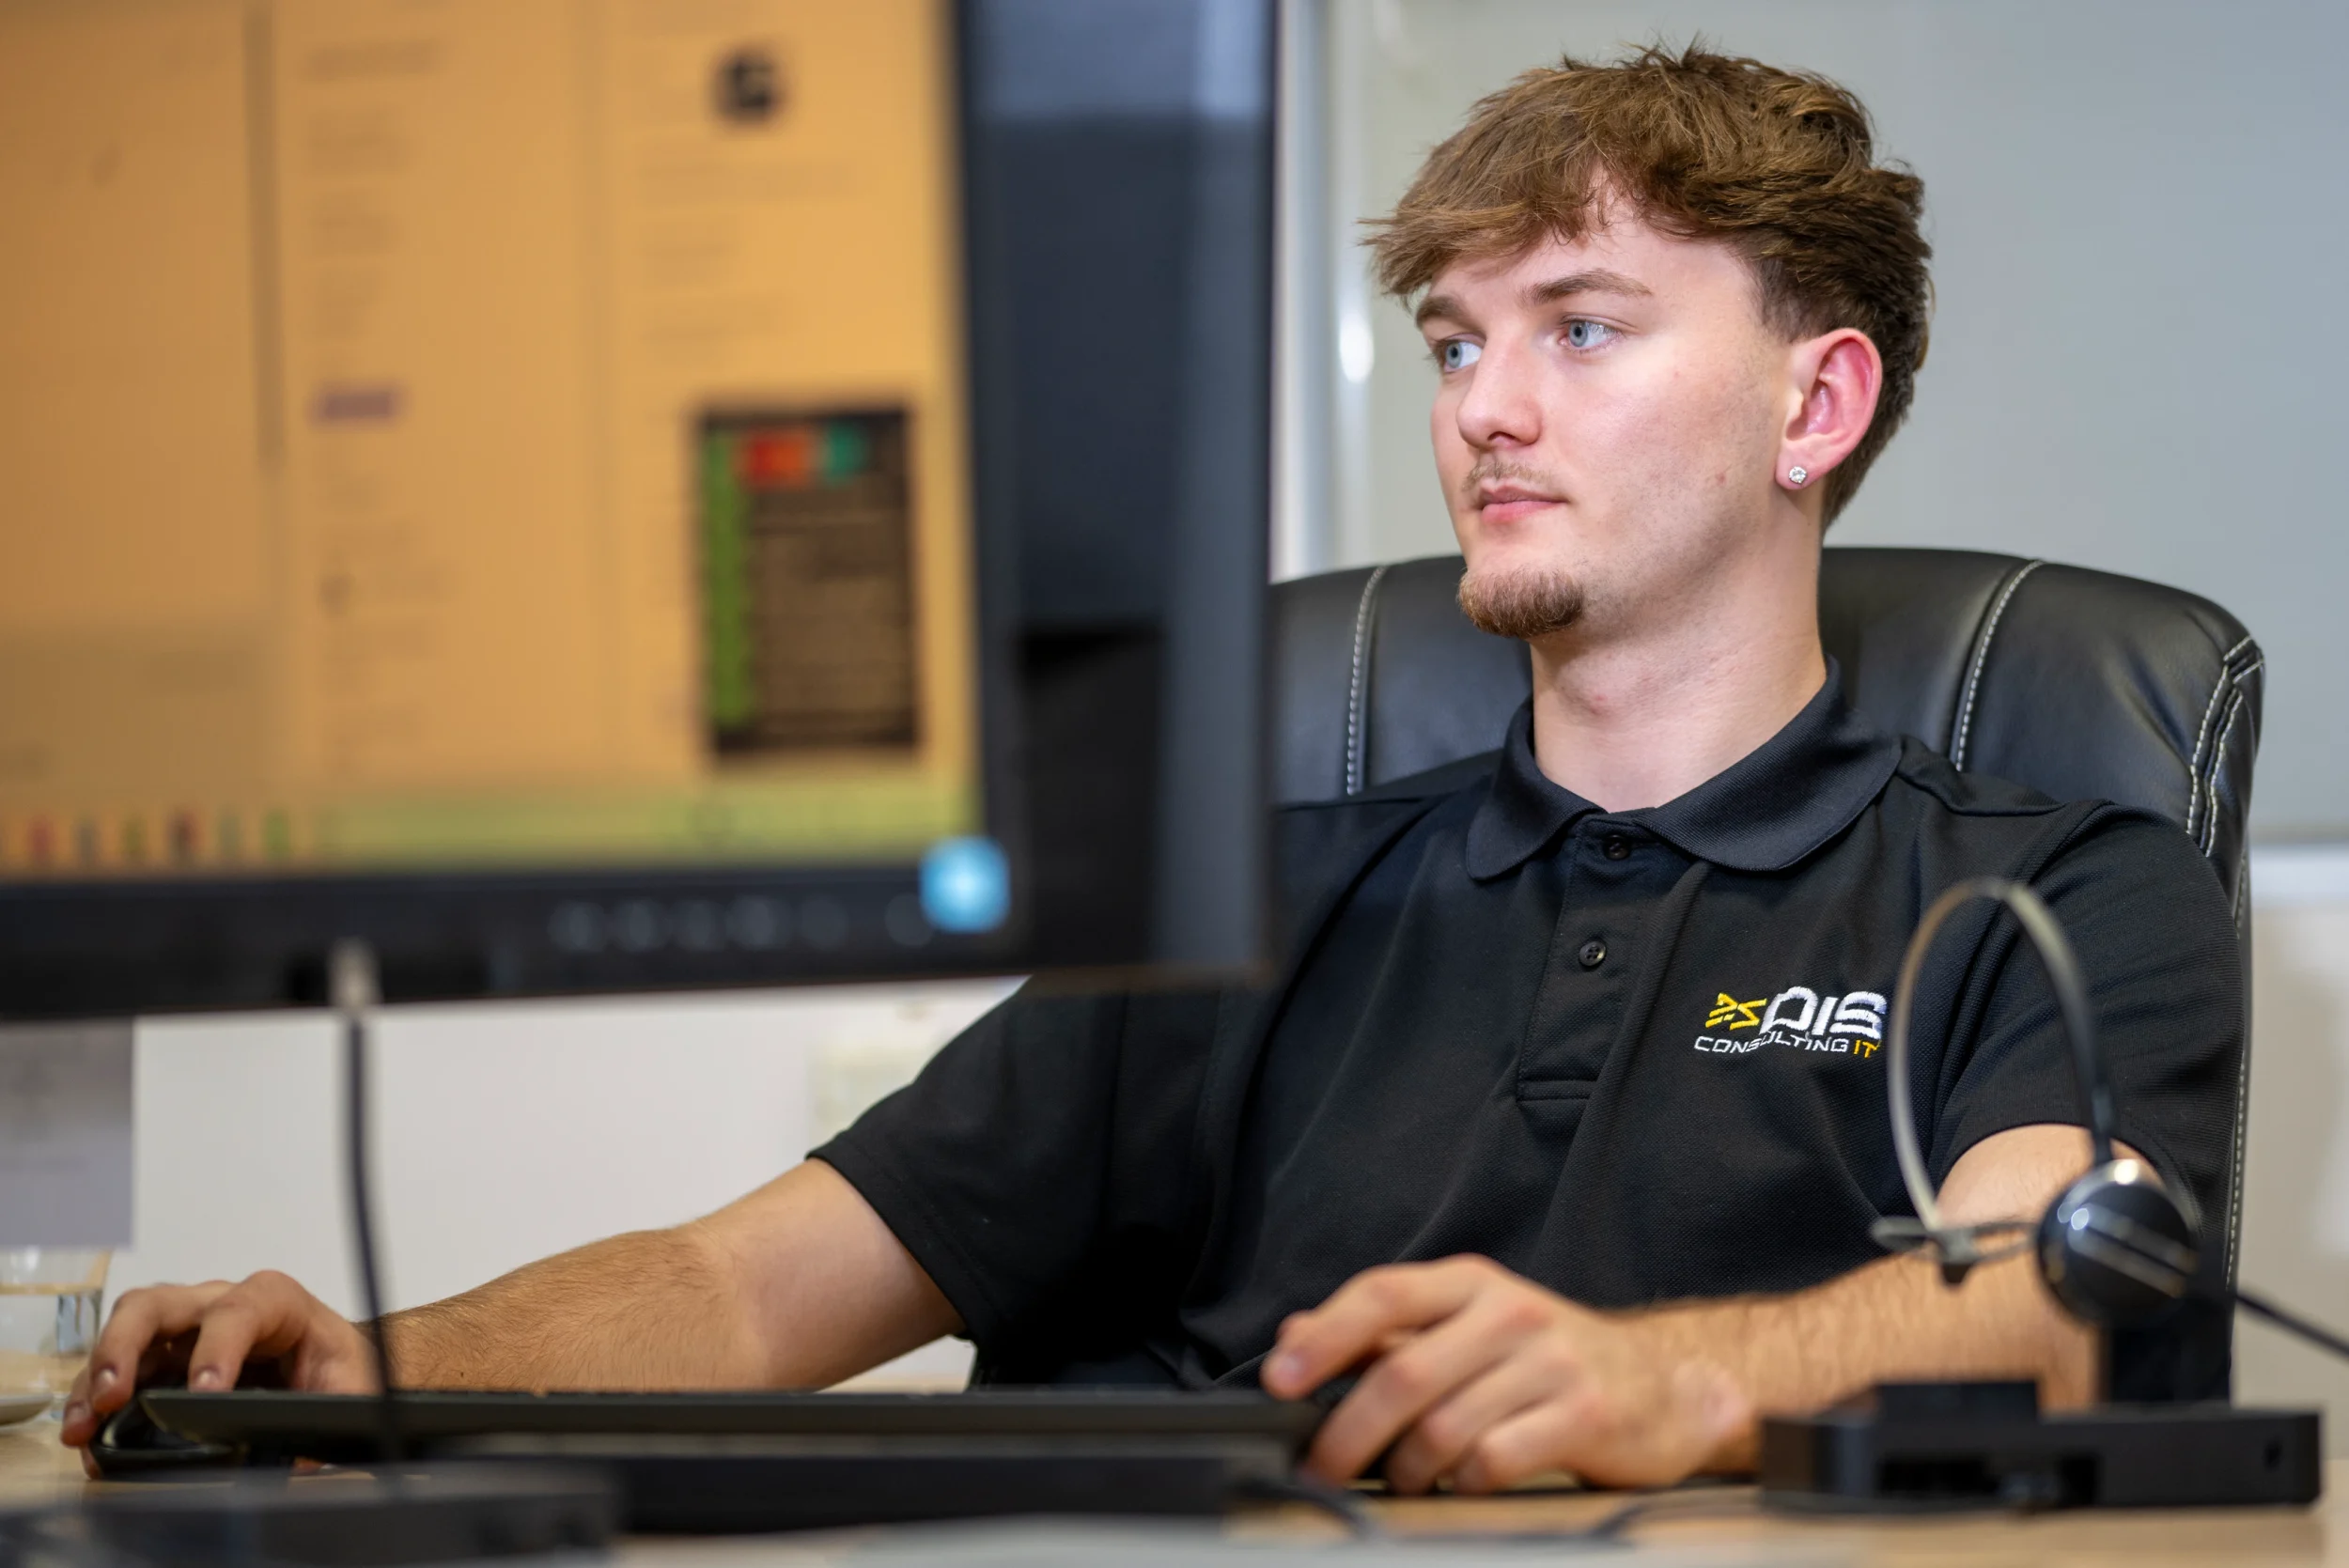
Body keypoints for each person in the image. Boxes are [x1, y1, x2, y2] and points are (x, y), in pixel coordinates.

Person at [64, 45, 2240, 1493]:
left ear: (1810, 405)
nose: (1481, 409)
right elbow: (742, 1286)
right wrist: (371, 1367)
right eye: (1455, 343)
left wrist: (1668, 1378)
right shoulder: (1248, 898)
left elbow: (2047, 1294)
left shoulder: (2055, 893)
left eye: (1578, 326)